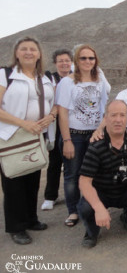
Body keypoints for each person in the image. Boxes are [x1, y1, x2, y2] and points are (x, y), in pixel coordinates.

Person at [77, 100, 127, 248]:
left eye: (122, 115)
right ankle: (91, 232)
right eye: (113, 115)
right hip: (101, 189)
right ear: (105, 117)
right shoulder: (96, 145)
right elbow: (84, 181)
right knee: (87, 207)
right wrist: (99, 207)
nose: (118, 120)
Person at [0, 36, 56, 244]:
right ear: (16, 53)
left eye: (33, 49)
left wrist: (50, 117)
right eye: (24, 49)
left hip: (36, 133)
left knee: (32, 179)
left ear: (39, 54)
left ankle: (31, 218)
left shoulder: (45, 78)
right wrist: (24, 124)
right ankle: (16, 227)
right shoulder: (5, 76)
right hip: (12, 135)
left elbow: (54, 103)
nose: (28, 52)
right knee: (14, 180)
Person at [56, 44, 110, 228]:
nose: (87, 61)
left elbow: (104, 109)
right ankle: (73, 210)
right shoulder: (67, 82)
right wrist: (67, 140)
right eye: (83, 58)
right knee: (72, 174)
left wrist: (100, 129)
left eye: (91, 58)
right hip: (75, 135)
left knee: (95, 173)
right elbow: (62, 113)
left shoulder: (99, 81)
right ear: (76, 61)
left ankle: (91, 206)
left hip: (95, 134)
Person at [41, 48, 73, 211]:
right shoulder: (49, 79)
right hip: (55, 125)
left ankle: (75, 194)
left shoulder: (77, 78)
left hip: (73, 124)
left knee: (75, 162)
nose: (64, 63)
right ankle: (50, 196)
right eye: (60, 61)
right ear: (56, 63)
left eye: (67, 60)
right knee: (55, 161)